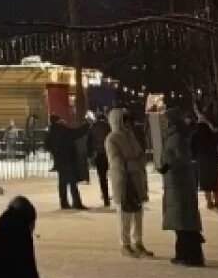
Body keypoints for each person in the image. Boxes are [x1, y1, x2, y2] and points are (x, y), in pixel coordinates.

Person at [158, 107, 204, 266]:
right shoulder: (174, 136)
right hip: (175, 183)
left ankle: (189, 255)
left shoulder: (176, 137)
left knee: (183, 221)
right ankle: (185, 254)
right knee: (182, 222)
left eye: (166, 119)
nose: (164, 122)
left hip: (178, 184)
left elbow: (182, 157)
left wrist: (168, 166)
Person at [105, 108, 152, 257]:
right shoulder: (112, 138)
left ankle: (138, 242)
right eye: (124, 120)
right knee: (124, 215)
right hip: (123, 180)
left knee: (138, 213)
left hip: (136, 179)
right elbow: (116, 161)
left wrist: (139, 162)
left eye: (127, 120)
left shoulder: (130, 136)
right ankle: (125, 244)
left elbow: (140, 154)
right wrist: (134, 164)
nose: (127, 123)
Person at [43, 114, 89, 210]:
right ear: (59, 121)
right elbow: (76, 133)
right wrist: (87, 125)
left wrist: (55, 151)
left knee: (62, 182)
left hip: (59, 160)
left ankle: (64, 203)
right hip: (68, 159)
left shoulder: (51, 131)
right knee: (72, 181)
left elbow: (46, 145)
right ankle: (77, 202)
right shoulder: (62, 129)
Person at [190, 113, 218, 210]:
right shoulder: (212, 133)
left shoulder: (195, 135)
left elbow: (192, 148)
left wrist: (194, 157)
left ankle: (209, 202)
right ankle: (217, 202)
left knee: (206, 184)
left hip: (202, 162)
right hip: (213, 160)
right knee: (215, 183)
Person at [87, 111, 112, 207]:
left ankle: (106, 198)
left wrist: (90, 155)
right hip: (109, 154)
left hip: (98, 155)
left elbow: (89, 142)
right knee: (115, 175)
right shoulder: (108, 127)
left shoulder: (93, 128)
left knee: (102, 177)